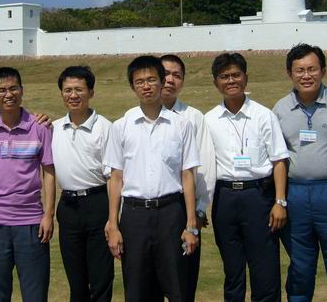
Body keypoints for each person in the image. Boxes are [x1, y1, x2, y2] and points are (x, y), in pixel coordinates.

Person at [103, 55, 201, 301]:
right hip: (134, 216)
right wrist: (113, 224)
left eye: (151, 80)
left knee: (177, 287)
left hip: (171, 213)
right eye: (139, 82)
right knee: (137, 289)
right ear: (132, 86)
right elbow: (116, 177)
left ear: (161, 82)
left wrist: (191, 225)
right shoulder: (121, 126)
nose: (146, 86)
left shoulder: (181, 125)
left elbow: (187, 175)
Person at [272, 44, 327, 301]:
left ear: (323, 71)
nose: (306, 76)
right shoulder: (280, 109)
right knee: (300, 267)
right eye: (299, 70)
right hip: (295, 194)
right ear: (290, 74)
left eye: (312, 69)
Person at [0, 66, 56, 302]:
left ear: (22, 90)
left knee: (35, 295)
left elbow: (48, 172)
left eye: (14, 88)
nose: (9, 94)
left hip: (31, 224)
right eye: (2, 90)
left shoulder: (40, 128)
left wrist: (48, 215)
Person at [205, 52, 289, 302]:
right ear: (215, 82)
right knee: (233, 271)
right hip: (225, 198)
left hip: (258, 196)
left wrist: (280, 201)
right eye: (224, 76)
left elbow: (279, 160)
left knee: (265, 270)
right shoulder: (208, 120)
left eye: (236, 75)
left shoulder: (264, 115)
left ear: (246, 77)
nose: (231, 81)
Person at [52, 66, 114, 302]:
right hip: (68, 207)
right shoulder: (53, 128)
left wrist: (113, 219)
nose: (73, 95)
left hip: (98, 204)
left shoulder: (105, 127)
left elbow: (113, 177)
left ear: (91, 93)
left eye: (79, 89)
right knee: (76, 281)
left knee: (100, 279)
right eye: (67, 90)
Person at [159, 54, 216, 302]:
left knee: (182, 282)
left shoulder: (193, 117)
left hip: (185, 208)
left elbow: (205, 168)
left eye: (177, 75)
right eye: (165, 74)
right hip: (148, 211)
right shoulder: (134, 117)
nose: (170, 80)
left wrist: (200, 209)